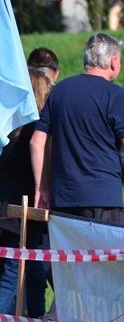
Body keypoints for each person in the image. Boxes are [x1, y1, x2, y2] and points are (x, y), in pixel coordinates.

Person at [0, 68, 53, 322]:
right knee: (13, 280)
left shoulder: (13, 128)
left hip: (9, 210)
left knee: (36, 277)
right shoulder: (35, 129)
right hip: (24, 210)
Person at [31, 33, 124, 225]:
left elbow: (36, 142)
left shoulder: (59, 91)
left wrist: (41, 189)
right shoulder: (116, 95)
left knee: (68, 256)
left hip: (64, 199)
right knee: (105, 256)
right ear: (114, 61)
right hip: (103, 199)